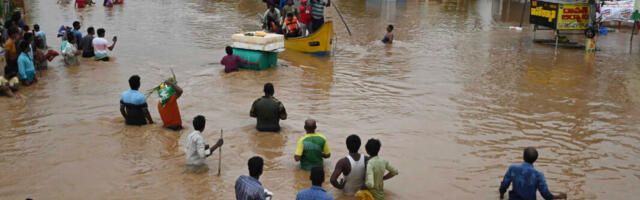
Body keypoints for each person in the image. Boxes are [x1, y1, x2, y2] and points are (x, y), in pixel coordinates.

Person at [499, 147, 567, 200]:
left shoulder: (513, 168)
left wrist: (501, 196)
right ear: (535, 159)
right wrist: (558, 196)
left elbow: (504, 185)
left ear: (523, 156)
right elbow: (546, 196)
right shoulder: (539, 175)